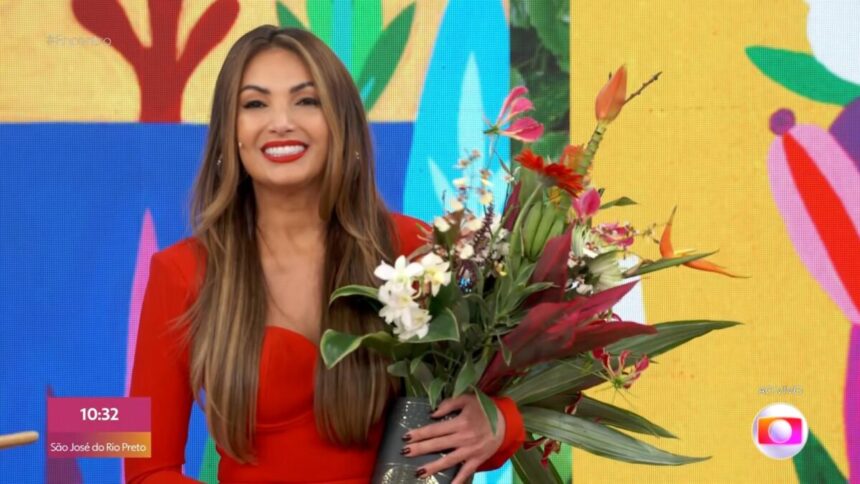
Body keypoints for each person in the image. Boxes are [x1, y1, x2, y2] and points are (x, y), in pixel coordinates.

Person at [125, 25, 524, 484]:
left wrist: (498, 423)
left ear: (342, 123)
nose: (281, 121)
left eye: (306, 100)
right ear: (228, 133)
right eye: (255, 103)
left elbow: (519, 403)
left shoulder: (417, 250)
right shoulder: (178, 272)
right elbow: (146, 468)